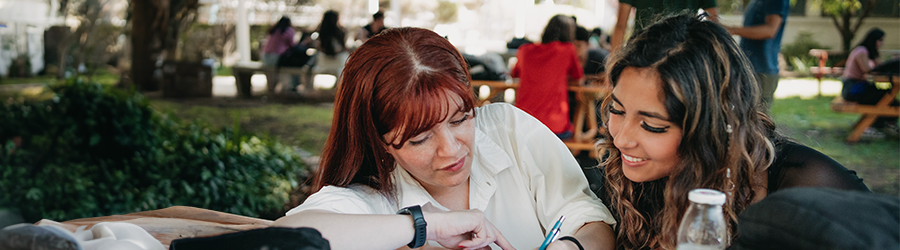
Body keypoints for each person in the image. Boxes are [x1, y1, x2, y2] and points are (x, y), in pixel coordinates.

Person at [272, 27, 617, 250]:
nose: (450, 150)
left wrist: (569, 247)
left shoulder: (506, 130)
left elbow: (589, 220)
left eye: (461, 119)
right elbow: (283, 239)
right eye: (419, 139)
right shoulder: (373, 196)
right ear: (377, 140)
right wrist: (424, 225)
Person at [596, 13, 869, 249]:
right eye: (617, 111)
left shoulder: (808, 189)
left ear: (710, 128)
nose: (621, 139)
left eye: (652, 126)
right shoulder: (630, 177)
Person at [511, 15, 584, 139]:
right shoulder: (567, 50)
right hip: (554, 127)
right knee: (575, 130)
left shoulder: (524, 50)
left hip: (522, 123)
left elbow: (514, 74)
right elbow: (578, 78)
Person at [725, 0, 790, 113]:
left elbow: (770, 30)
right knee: (741, 117)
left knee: (757, 122)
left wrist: (732, 30)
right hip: (747, 67)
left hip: (763, 70)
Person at [839, 28, 898, 135]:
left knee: (886, 97)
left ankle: (883, 124)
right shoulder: (861, 51)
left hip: (858, 88)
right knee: (886, 98)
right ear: (873, 40)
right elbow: (868, 71)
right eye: (880, 40)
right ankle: (886, 125)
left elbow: (879, 67)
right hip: (853, 90)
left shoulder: (868, 52)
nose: (881, 43)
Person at [611, 0, 718, 51]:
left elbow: (621, 25)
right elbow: (714, 25)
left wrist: (613, 64)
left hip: (643, 52)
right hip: (682, 52)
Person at [313, 10, 349, 84]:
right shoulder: (339, 32)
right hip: (338, 62)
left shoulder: (321, 32)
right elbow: (340, 49)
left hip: (323, 62)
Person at [261, 16, 296, 92]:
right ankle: (287, 88)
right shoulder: (288, 31)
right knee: (287, 67)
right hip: (276, 57)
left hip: (264, 56)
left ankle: (271, 90)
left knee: (271, 74)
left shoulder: (273, 30)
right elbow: (292, 45)